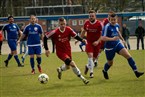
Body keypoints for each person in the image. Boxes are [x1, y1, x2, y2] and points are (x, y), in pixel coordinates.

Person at [43, 17, 89, 84]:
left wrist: (82, 40)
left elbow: (75, 36)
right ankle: (83, 78)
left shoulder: (68, 29)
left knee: (68, 67)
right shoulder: (55, 32)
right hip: (60, 52)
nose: (63, 26)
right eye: (61, 24)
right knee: (72, 63)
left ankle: (60, 69)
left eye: (64, 24)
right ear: (59, 24)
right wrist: (47, 49)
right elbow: (45, 37)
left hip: (68, 50)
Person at [101, 13, 144, 79]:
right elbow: (103, 38)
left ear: (117, 19)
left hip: (117, 44)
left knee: (128, 56)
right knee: (110, 63)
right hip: (109, 48)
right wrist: (112, 39)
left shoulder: (117, 25)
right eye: (111, 20)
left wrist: (123, 40)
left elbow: (118, 32)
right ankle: (104, 71)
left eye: (114, 20)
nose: (113, 21)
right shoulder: (107, 27)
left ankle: (136, 72)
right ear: (109, 20)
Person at [80, 10, 103, 78]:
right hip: (89, 42)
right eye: (90, 16)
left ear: (95, 16)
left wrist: (98, 41)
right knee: (90, 55)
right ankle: (91, 72)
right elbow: (83, 32)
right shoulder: (86, 23)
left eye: (92, 16)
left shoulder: (99, 24)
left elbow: (102, 35)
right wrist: (79, 39)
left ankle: (87, 66)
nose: (91, 17)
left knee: (94, 58)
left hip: (97, 43)